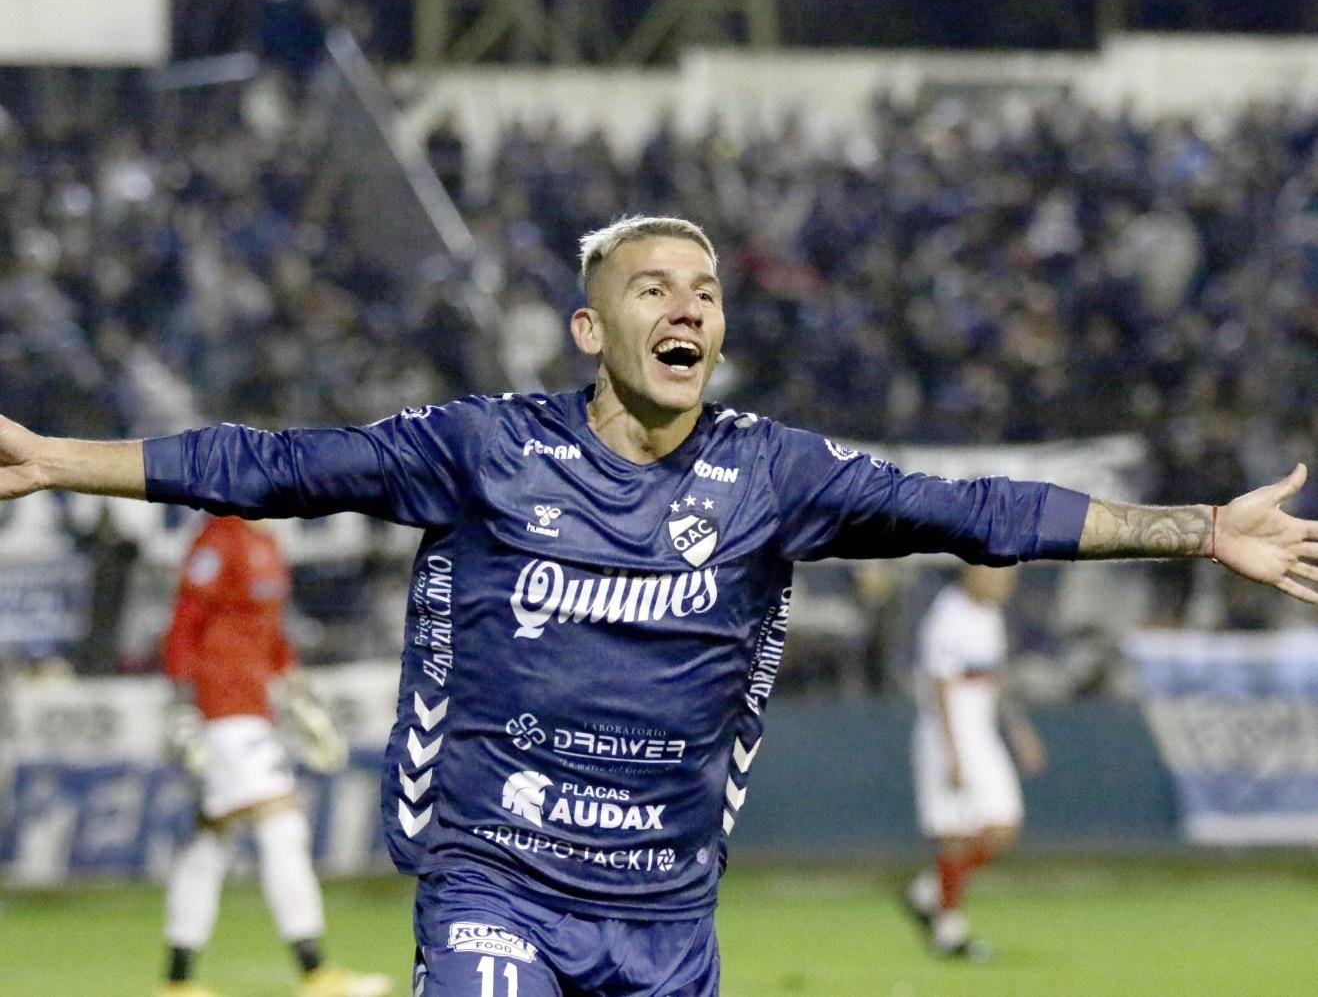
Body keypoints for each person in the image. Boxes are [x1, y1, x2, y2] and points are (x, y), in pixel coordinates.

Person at [0, 215, 1315, 997]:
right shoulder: (485, 447)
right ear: (590, 330)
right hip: (496, 876)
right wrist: (59, 457)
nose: (688, 306)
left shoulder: (774, 473)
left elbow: (977, 509)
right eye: (653, 287)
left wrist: (1198, 528)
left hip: (665, 910)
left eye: (706, 291)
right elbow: (273, 465)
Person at [157, 513, 391, 997]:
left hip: (254, 706)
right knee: (282, 826)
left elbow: (268, 630)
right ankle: (316, 971)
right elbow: (185, 619)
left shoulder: (266, 540)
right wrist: (182, 701)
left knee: (212, 841)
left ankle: (178, 980)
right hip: (223, 707)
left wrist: (296, 689)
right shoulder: (220, 537)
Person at [904, 563, 1042, 960]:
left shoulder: (990, 616)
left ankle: (928, 891)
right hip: (947, 733)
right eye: (998, 574)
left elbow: (996, 679)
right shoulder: (948, 616)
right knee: (954, 833)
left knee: (1004, 825)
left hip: (982, 732)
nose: (1005, 583)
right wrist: (952, 751)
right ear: (972, 572)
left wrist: (1019, 731)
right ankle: (949, 931)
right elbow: (940, 684)